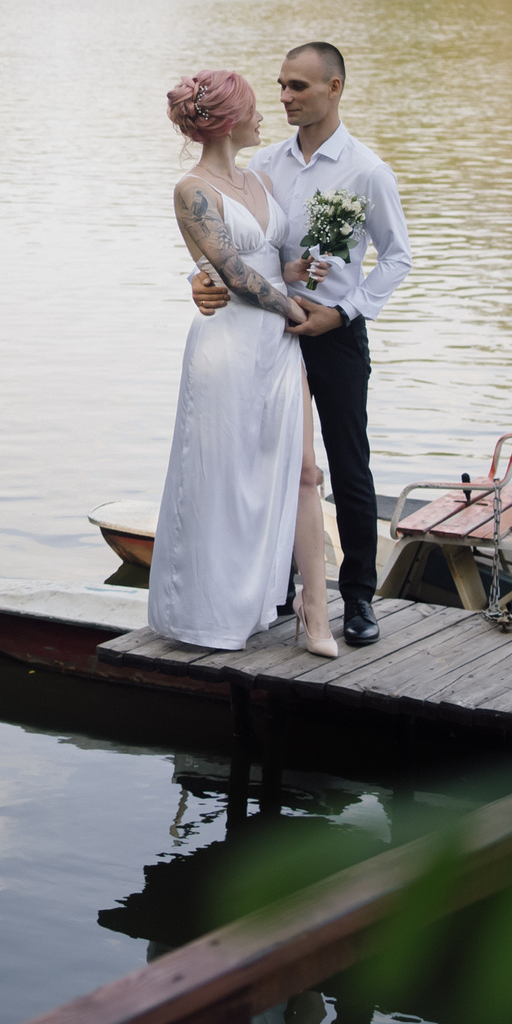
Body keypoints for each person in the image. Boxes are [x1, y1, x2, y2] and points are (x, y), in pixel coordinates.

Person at [192, 43, 412, 647]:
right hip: (268, 336)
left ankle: (360, 599)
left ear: (334, 88)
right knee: (276, 463)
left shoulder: (367, 170)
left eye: (298, 87)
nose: (285, 97)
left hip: (335, 334)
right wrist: (199, 281)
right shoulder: (262, 164)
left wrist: (343, 312)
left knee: (348, 465)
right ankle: (284, 590)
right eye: (281, 86)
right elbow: (240, 248)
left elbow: (397, 259)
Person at [148, 68, 341, 657]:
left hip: (278, 345)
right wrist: (293, 311)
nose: (266, 114)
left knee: (303, 472)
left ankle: (315, 612)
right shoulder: (192, 189)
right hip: (230, 347)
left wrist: (301, 274)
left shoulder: (259, 180)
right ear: (229, 120)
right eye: (255, 107)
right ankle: (210, 612)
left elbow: (264, 259)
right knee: (221, 476)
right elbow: (231, 273)